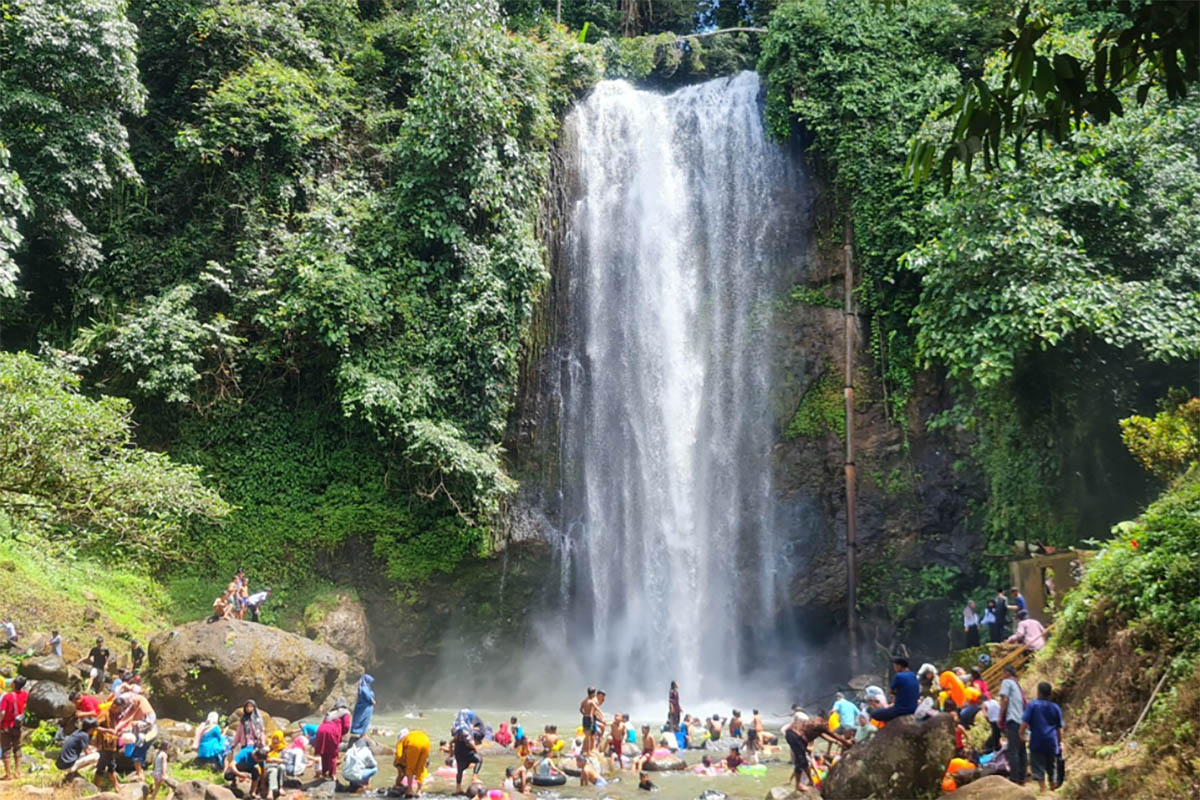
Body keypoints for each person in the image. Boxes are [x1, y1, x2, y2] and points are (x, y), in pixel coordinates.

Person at [1021, 681, 1064, 791]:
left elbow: (1024, 723)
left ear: (1038, 692)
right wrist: (1060, 742)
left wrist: (1021, 734)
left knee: (1037, 765)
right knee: (1051, 766)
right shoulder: (1055, 707)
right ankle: (1053, 787)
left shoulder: (1033, 705)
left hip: (1037, 741)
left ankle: (1043, 789)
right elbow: (1059, 728)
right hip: (1051, 741)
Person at [998, 665, 1027, 785]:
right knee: (1021, 750)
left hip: (1013, 719)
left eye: (1003, 673)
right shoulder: (1017, 684)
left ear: (1006, 673)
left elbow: (1005, 699)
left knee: (1013, 750)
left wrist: (1000, 716)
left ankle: (1014, 778)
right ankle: (1022, 777)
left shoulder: (1007, 682)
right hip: (1022, 720)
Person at [871, 657, 920, 722]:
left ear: (899, 666)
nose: (894, 668)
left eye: (895, 666)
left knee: (875, 714)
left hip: (901, 709)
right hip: (914, 708)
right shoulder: (913, 675)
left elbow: (891, 691)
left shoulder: (899, 676)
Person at [314, 698, 351, 778]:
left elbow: (324, 722)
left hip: (321, 730)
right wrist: (341, 734)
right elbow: (346, 726)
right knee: (333, 754)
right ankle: (332, 774)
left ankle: (324, 772)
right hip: (332, 731)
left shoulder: (330, 712)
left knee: (324, 753)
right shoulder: (345, 712)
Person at [1, 676, 29, 780]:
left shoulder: (7, 696)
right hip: (18, 725)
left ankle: (8, 774)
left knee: (6, 749)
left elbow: (2, 713)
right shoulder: (25, 694)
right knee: (17, 748)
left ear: (13, 684)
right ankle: (18, 772)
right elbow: (26, 707)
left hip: (6, 726)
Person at [92, 701, 122, 791]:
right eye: (118, 709)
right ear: (114, 705)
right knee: (102, 766)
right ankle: (95, 787)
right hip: (104, 745)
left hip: (110, 745)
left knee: (111, 765)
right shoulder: (104, 713)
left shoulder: (113, 714)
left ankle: (116, 785)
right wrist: (108, 731)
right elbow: (94, 726)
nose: (118, 711)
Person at [394, 728, 430, 798]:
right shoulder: (414, 734)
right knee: (421, 768)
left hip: (413, 744)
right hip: (426, 741)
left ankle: (410, 790)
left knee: (410, 768)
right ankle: (419, 791)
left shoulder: (402, 740)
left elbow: (399, 754)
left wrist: (399, 762)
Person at [452, 724, 483, 793]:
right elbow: (469, 742)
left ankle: (458, 788)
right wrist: (476, 750)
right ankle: (474, 778)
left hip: (458, 750)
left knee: (460, 769)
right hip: (465, 750)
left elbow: (453, 735)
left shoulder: (458, 727)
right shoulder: (465, 730)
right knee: (479, 759)